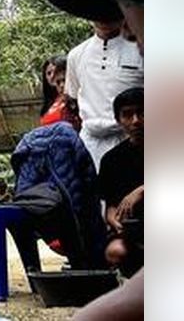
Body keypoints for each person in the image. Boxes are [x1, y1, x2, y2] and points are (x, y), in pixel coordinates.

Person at [65, 17, 143, 169]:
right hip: (90, 144)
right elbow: (73, 95)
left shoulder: (142, 49)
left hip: (134, 138)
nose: (104, 17)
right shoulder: (76, 55)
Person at [97, 87, 143, 275]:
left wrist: (141, 191)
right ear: (118, 120)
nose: (136, 121)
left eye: (142, 112)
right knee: (115, 251)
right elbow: (111, 205)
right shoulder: (111, 160)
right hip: (135, 231)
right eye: (127, 115)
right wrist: (114, 220)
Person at [38, 55, 70, 126]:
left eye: (55, 71)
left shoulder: (75, 100)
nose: (52, 76)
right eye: (49, 73)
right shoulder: (49, 101)